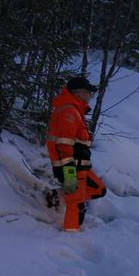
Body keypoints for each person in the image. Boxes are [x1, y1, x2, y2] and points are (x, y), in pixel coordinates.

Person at [46, 76, 107, 232]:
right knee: (77, 205)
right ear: (78, 93)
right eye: (88, 93)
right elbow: (64, 145)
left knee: (99, 189)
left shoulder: (74, 110)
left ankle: (57, 196)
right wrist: (69, 173)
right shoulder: (69, 111)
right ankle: (70, 238)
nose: (90, 96)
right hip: (72, 167)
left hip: (82, 167)